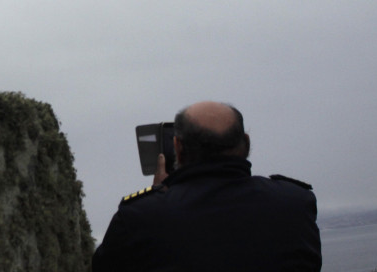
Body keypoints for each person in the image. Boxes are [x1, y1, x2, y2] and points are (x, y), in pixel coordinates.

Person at [90, 101, 321, 271]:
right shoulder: (297, 203)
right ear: (246, 144)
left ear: (178, 148)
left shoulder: (139, 216)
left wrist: (159, 195)